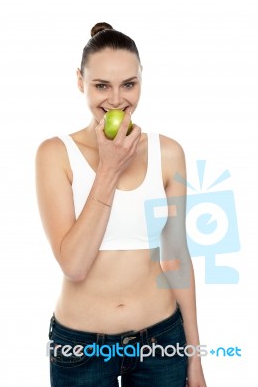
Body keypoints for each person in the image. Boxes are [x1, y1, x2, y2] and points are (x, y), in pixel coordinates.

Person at [35, 22, 207, 387]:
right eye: (101, 86)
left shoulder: (168, 152)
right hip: (81, 350)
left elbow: (176, 256)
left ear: (141, 80)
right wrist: (109, 167)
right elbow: (74, 264)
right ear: (80, 81)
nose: (116, 100)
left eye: (128, 84)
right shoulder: (55, 154)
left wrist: (194, 358)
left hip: (162, 344)